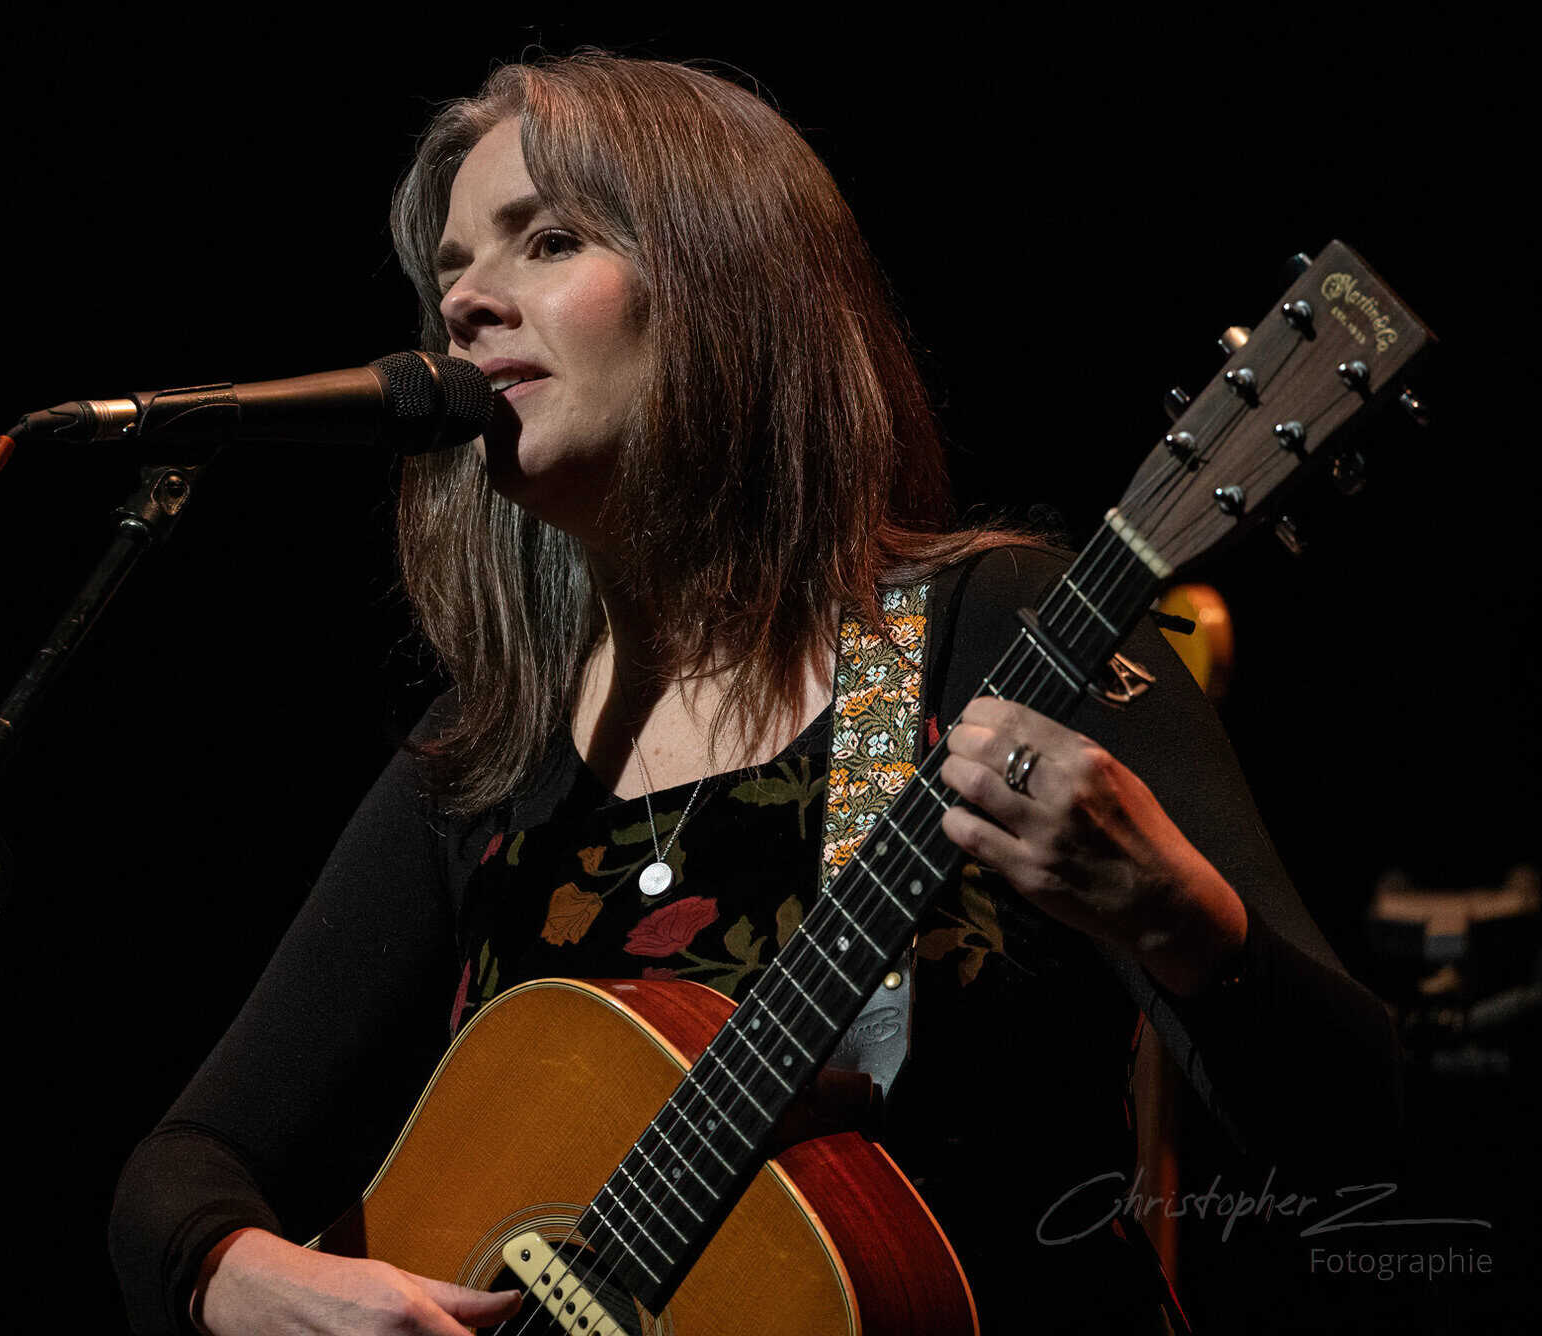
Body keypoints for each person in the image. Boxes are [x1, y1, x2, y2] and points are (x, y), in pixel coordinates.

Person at [109, 52, 1400, 1335]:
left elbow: (1379, 1147)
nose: (463, 303)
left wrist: (1185, 924)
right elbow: (179, 1174)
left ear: (725, 287)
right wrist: (253, 1283)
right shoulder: (491, 760)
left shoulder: (992, 632)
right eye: (450, 270)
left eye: (547, 241)